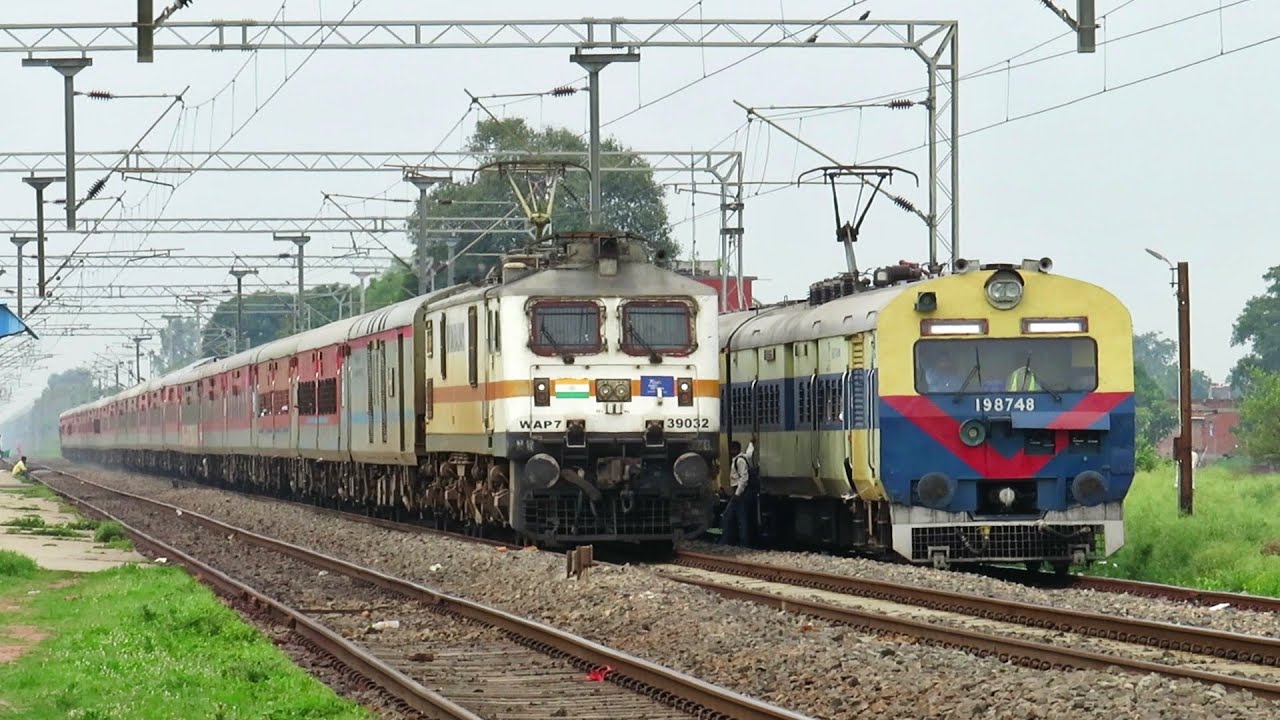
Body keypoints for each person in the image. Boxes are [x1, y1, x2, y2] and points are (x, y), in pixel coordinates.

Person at [719, 439, 755, 546]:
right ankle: (742, 542)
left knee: (729, 516)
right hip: (741, 493)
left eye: (731, 449)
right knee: (741, 517)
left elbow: (744, 478)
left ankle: (727, 541)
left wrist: (737, 494)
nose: (730, 452)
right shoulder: (744, 457)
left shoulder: (739, 461)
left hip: (739, 493)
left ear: (735, 450)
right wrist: (751, 444)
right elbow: (749, 453)